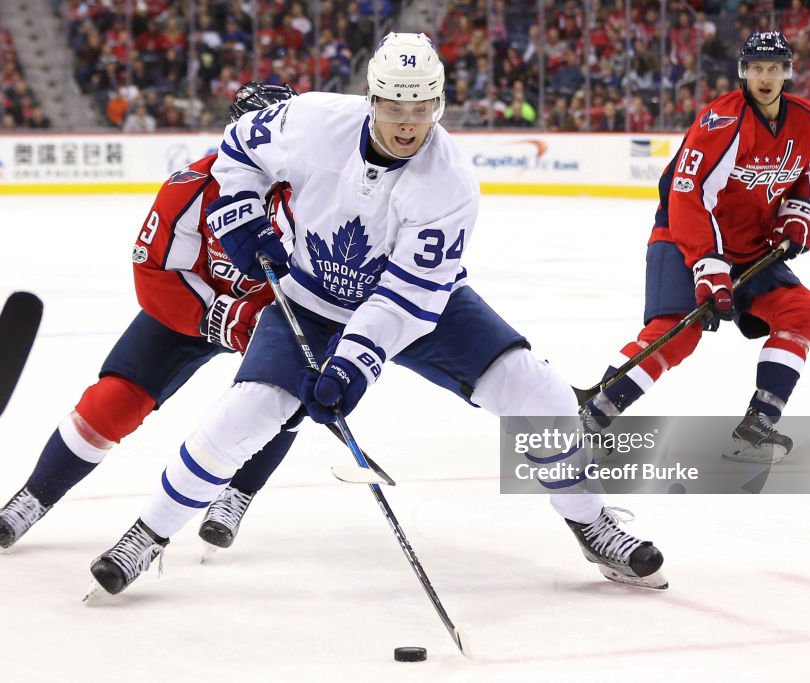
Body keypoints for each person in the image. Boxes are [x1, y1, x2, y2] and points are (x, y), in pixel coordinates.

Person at [88, 33, 668, 597]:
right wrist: (238, 215)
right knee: (249, 412)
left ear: (438, 104)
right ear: (372, 99)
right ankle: (147, 534)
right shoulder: (313, 121)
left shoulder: (450, 182)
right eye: (395, 106)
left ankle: (590, 522)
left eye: (423, 107)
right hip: (311, 298)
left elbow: (406, 299)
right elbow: (238, 147)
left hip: (418, 303)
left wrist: (352, 366)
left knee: (539, 391)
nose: (409, 122)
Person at [0, 83, 300, 553]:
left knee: (285, 400)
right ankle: (35, 495)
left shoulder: (315, 197)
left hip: (267, 314)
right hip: (194, 309)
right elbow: (152, 272)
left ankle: (236, 493)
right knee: (114, 398)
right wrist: (217, 315)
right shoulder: (191, 187)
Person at [578, 31, 810, 464]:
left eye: (773, 68)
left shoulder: (809, 122)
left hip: (749, 248)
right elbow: (686, 193)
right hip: (681, 237)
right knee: (678, 333)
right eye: (756, 68)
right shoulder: (722, 121)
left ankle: (761, 419)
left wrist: (798, 216)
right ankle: (594, 413)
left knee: (802, 311)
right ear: (743, 72)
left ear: (786, 72)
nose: (764, 77)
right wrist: (708, 268)